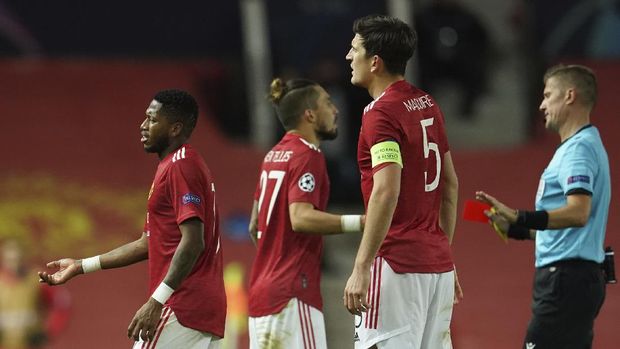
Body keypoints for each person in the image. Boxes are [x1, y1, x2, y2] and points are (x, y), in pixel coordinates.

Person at [38, 89, 226, 349]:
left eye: (152, 119)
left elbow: (193, 241)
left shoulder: (181, 167)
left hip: (182, 305)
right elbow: (147, 243)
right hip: (197, 307)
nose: (143, 125)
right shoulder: (174, 166)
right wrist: (81, 265)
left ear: (174, 128)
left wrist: (157, 301)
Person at [343, 14, 462, 349]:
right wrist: (443, 255)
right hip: (437, 267)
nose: (349, 57)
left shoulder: (380, 114)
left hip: (396, 264)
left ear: (375, 61)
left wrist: (361, 266)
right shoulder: (427, 104)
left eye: (355, 50)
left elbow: (386, 189)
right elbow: (450, 185)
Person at [476, 64, 609, 349]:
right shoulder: (582, 145)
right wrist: (516, 229)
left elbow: (578, 213)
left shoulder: (578, 150)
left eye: (548, 95)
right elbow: (568, 230)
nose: (542, 104)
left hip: (565, 281)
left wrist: (519, 216)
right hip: (574, 279)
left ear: (570, 96)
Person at [247, 77, 365, 349]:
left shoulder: (272, 156)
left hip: (262, 293)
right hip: (292, 293)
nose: (335, 110)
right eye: (327, 102)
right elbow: (300, 217)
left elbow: (255, 225)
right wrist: (361, 221)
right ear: (309, 115)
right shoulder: (307, 155)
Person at [0, 238, 70, 349]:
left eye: (17, 258)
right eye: (10, 259)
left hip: (29, 345)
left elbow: (62, 304)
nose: (14, 264)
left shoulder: (36, 279)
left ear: (23, 257)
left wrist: (48, 332)